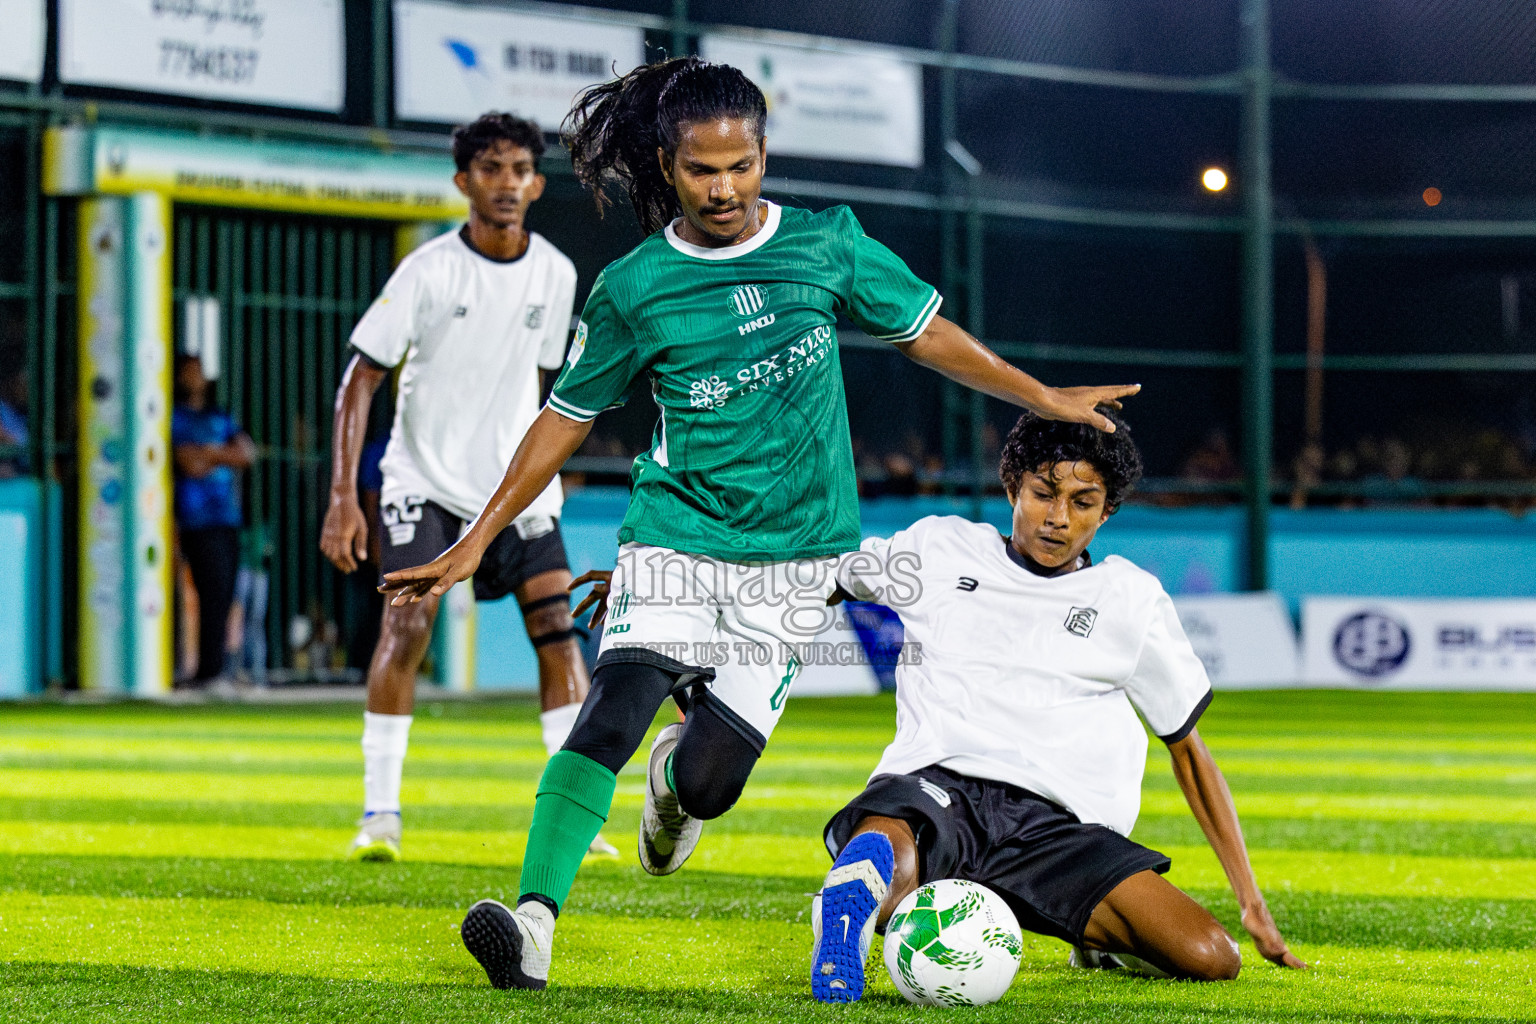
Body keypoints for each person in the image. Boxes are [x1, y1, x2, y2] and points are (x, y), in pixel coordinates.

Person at [378, 57, 1138, 992]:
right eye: (702, 170)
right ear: (667, 165)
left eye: (741, 166)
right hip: (675, 533)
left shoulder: (828, 245)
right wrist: (474, 539)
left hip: (796, 559)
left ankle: (675, 783)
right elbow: (563, 419)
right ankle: (533, 921)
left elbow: (929, 336)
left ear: (764, 154)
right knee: (610, 707)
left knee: (709, 782)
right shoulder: (634, 286)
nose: (725, 188)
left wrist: (1041, 394)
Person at [810, 411, 1305, 1003]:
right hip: (939, 791)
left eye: (1083, 501)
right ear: (1012, 483)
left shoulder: (1130, 599)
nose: (1059, 518)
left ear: (1108, 510)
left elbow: (1188, 752)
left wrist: (1251, 903)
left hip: (1056, 834)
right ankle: (847, 916)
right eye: (1044, 493)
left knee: (1209, 957)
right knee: (889, 852)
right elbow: (825, 576)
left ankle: (1095, 935)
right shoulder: (941, 547)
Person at [320, 112, 613, 862]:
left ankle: (577, 824)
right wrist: (343, 496)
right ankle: (379, 815)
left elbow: (550, 384)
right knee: (406, 628)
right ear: (463, 182)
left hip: (512, 495)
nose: (507, 183)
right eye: (491, 169)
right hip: (423, 480)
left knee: (558, 632)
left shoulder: (555, 270)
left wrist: (549, 469)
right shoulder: (426, 271)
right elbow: (360, 378)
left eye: (519, 169)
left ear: (537, 184)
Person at [172, 355, 256, 685]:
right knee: (207, 592)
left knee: (224, 594)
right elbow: (187, 463)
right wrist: (221, 454)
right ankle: (205, 669)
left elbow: (246, 453)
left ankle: (215, 667)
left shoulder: (220, 416)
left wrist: (206, 453)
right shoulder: (175, 418)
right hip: (196, 519)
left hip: (227, 518)